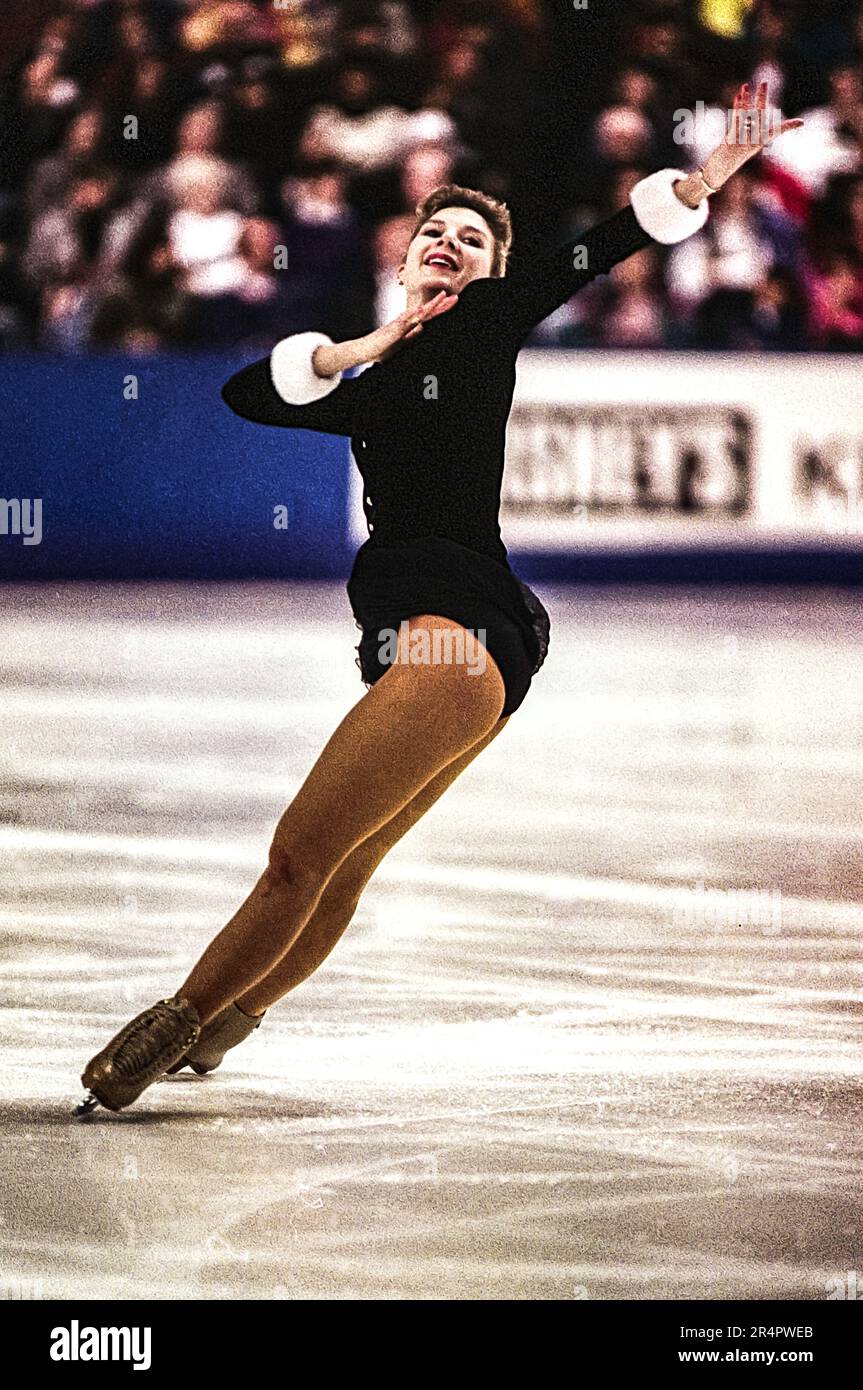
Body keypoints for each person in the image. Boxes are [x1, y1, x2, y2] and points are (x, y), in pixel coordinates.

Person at [78, 83, 803, 1115]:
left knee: (298, 858)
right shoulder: (375, 383)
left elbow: (595, 250)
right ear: (404, 249)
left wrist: (709, 176)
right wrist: (361, 349)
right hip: (471, 656)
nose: (452, 243)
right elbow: (246, 393)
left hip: (454, 638)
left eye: (474, 239)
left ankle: (177, 1022)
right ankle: (232, 1022)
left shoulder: (485, 326)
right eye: (437, 230)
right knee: (340, 866)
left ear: (493, 275)